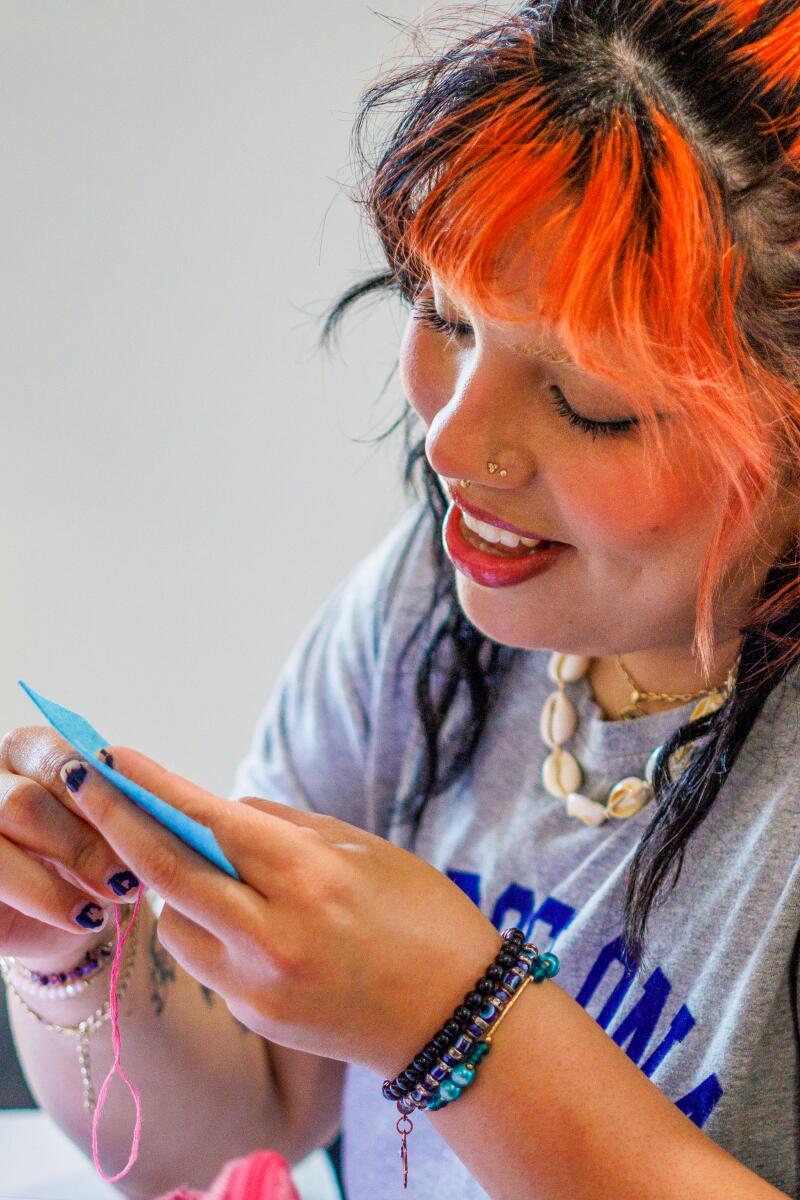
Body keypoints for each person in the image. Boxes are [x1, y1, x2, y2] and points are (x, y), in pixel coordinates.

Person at [2, 3, 800, 1197]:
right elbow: (241, 1125)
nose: (451, 439)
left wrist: (457, 1019)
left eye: (586, 397)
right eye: (442, 314)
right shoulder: (438, 597)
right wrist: (79, 952)